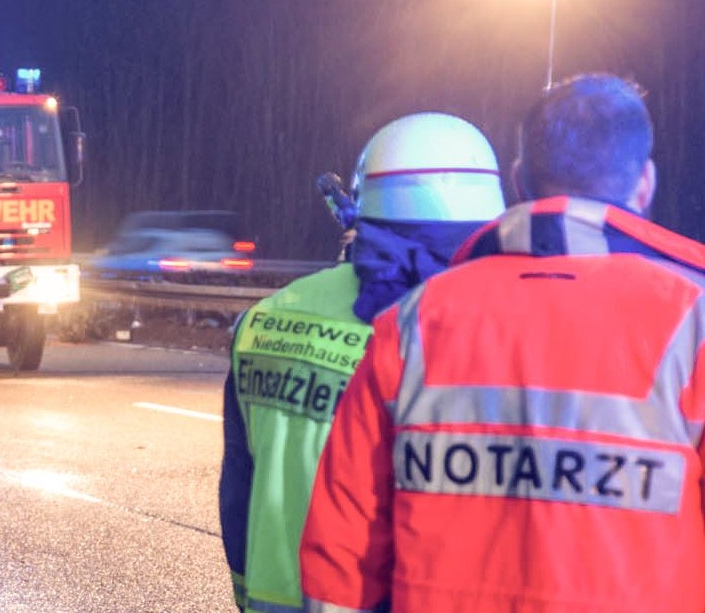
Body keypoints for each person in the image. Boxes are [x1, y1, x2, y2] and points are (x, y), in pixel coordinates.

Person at [299, 72, 705, 612]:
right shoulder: (692, 326)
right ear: (645, 183)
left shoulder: (412, 324)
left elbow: (340, 563)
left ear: (518, 182)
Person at [219, 112, 506, 613]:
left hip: (276, 599)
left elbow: (239, 486)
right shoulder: (491, 327)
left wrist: (246, 593)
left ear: (361, 204)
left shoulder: (263, 321)